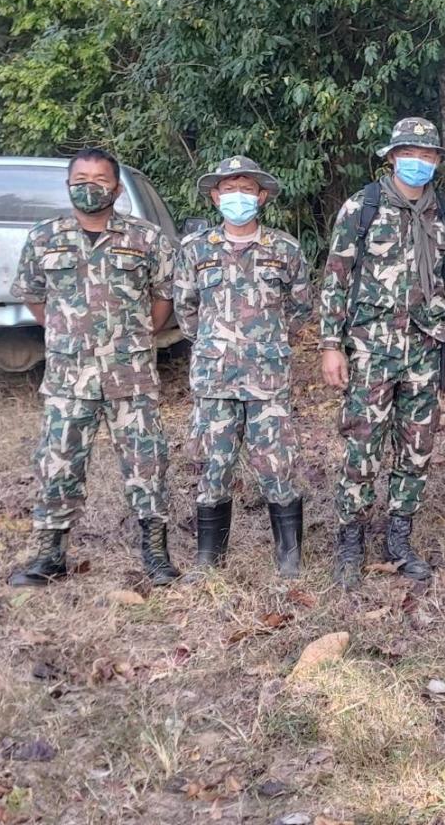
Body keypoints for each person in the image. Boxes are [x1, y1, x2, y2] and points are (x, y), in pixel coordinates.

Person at [7, 148, 180, 587]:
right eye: (81, 178)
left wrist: (135, 337)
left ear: (117, 188)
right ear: (68, 185)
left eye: (100, 179)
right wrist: (70, 333)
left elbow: (163, 299)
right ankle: (50, 554)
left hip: (131, 374)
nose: (90, 186)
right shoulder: (45, 237)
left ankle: (156, 553)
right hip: (68, 376)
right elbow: (33, 295)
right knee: (58, 462)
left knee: (146, 462)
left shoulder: (146, 239)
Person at [319, 117, 445, 589]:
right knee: (362, 446)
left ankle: (399, 538)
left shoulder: (442, 214)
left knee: (417, 449)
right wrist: (331, 344)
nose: (418, 163)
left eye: (427, 156)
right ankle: (351, 541)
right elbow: (335, 280)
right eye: (410, 154)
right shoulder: (362, 208)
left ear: (436, 163)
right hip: (371, 350)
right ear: (391, 157)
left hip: (427, 352)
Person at [175, 157, 312, 577]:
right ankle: (208, 557)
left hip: (267, 378)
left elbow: (302, 307)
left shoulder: (285, 249)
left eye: (246, 189)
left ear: (262, 196)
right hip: (214, 379)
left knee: (277, 464)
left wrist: (264, 342)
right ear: (215, 197)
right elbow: (185, 310)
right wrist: (220, 344)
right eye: (229, 189)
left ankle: (289, 555)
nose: (238, 196)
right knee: (212, 465)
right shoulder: (194, 250)